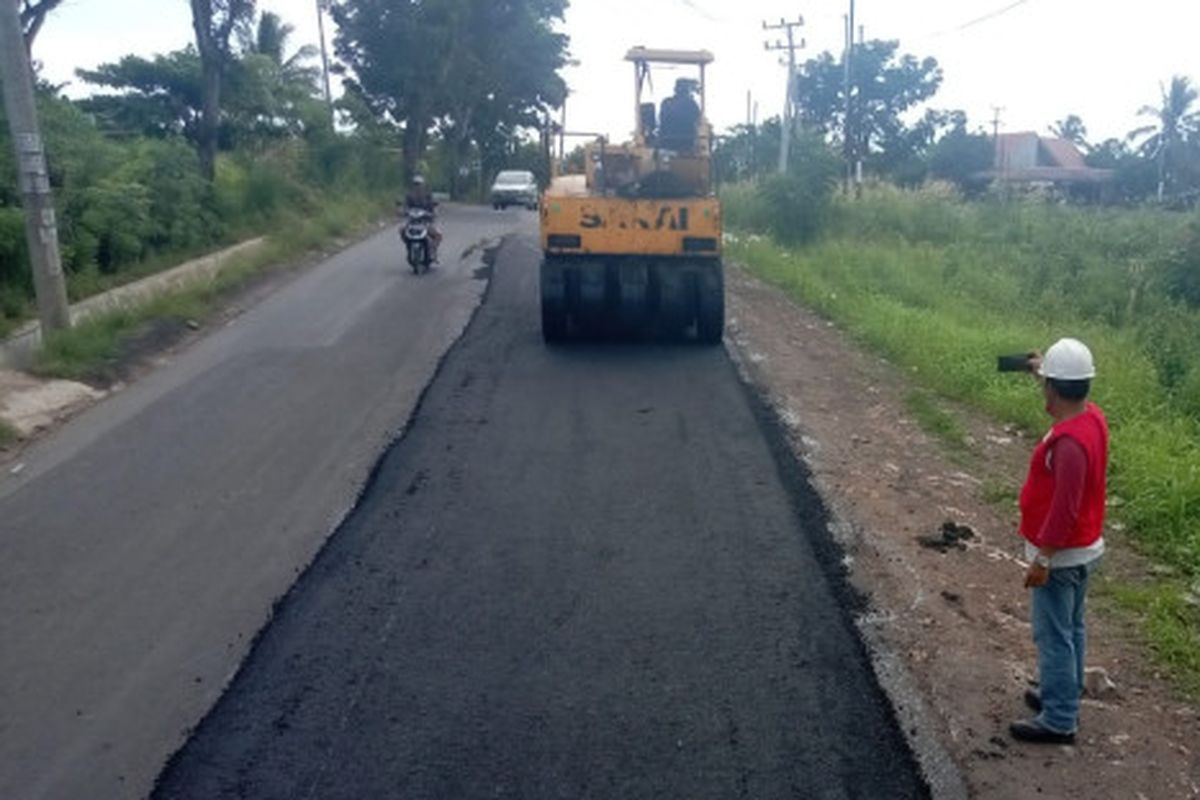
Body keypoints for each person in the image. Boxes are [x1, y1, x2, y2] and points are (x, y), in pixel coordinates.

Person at [1010, 337, 1109, 745]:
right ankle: (1063, 693)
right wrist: (1040, 369)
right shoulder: (1092, 418)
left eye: (1046, 381)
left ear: (1053, 389)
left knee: (1053, 636)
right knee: (1072, 628)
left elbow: (1064, 509)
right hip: (1085, 550)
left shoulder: (1068, 444)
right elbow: (1065, 389)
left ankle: (1060, 718)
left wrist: (1042, 560)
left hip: (1062, 558)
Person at [400, 175, 441, 260]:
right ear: (413, 185)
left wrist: (434, 211)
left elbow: (433, 205)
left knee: (438, 234)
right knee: (402, 230)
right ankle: (408, 246)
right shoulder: (409, 195)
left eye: (419, 184)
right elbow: (405, 206)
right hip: (413, 221)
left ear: (423, 185)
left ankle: (433, 251)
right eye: (415, 184)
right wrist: (403, 211)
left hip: (426, 220)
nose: (417, 186)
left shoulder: (428, 195)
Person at [658, 78, 701, 153]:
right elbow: (697, 121)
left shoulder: (666, 102)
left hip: (667, 142)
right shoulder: (691, 104)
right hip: (685, 143)